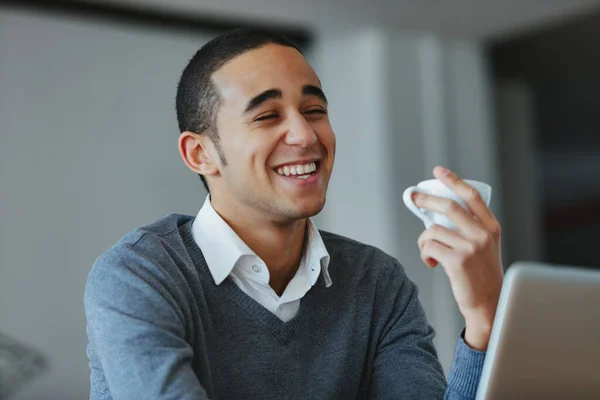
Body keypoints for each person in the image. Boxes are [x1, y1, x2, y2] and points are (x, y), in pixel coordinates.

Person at [84, 29, 504, 400]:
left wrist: (484, 319)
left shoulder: (376, 282)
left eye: (314, 111)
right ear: (201, 153)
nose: (305, 135)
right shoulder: (138, 275)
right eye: (267, 116)